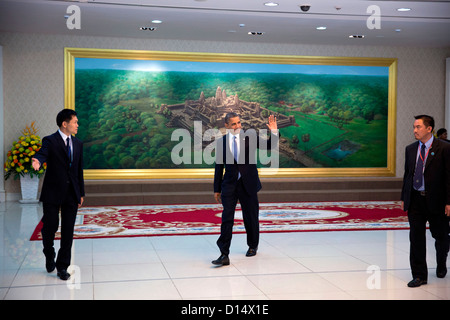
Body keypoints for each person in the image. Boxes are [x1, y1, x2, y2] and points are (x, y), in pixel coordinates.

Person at [212, 112, 278, 266]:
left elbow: (270, 146)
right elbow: (218, 167)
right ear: (227, 125)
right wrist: (217, 188)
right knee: (227, 219)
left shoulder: (250, 137)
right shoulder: (221, 142)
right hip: (229, 185)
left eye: (239, 123)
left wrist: (274, 132)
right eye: (234, 124)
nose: (238, 126)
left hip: (248, 183)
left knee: (250, 216)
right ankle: (224, 254)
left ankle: (253, 245)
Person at [32, 109, 85, 280]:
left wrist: (80, 193)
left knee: (68, 231)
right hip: (52, 192)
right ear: (65, 123)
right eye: (75, 122)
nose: (77, 125)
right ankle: (49, 253)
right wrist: (37, 160)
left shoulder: (78, 144)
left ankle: (63, 267)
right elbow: (42, 153)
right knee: (50, 227)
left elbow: (78, 170)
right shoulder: (50, 140)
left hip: (71, 193)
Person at [401, 115, 450, 288]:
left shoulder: (444, 148)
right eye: (414, 127)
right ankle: (419, 275)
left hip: (437, 201)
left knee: (441, 236)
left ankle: (442, 261)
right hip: (415, 200)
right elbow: (408, 175)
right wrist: (404, 197)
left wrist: (449, 202)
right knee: (416, 238)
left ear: (429, 129)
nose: (415, 130)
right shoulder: (410, 149)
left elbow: (449, 177)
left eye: (418, 127)